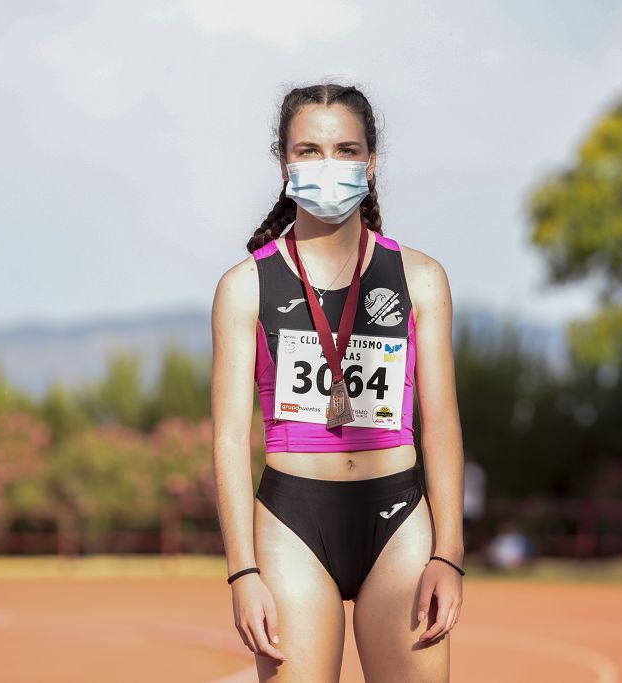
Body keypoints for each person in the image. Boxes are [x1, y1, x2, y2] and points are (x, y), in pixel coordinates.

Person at [211, 82, 466, 682]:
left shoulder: (422, 278)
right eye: (309, 150)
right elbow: (227, 438)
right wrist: (243, 572)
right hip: (291, 524)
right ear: (284, 164)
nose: (329, 165)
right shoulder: (244, 286)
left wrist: (449, 553)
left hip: (399, 519)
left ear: (371, 164)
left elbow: (444, 423)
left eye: (346, 149)